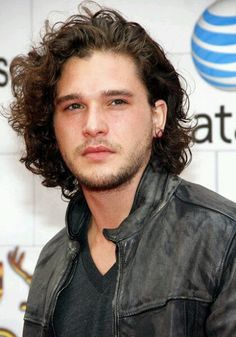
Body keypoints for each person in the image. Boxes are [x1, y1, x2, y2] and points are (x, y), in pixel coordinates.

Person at [8, 2, 236, 336]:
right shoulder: (51, 262)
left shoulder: (223, 239)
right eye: (73, 106)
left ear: (157, 116)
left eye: (116, 102)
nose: (93, 125)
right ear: (52, 127)